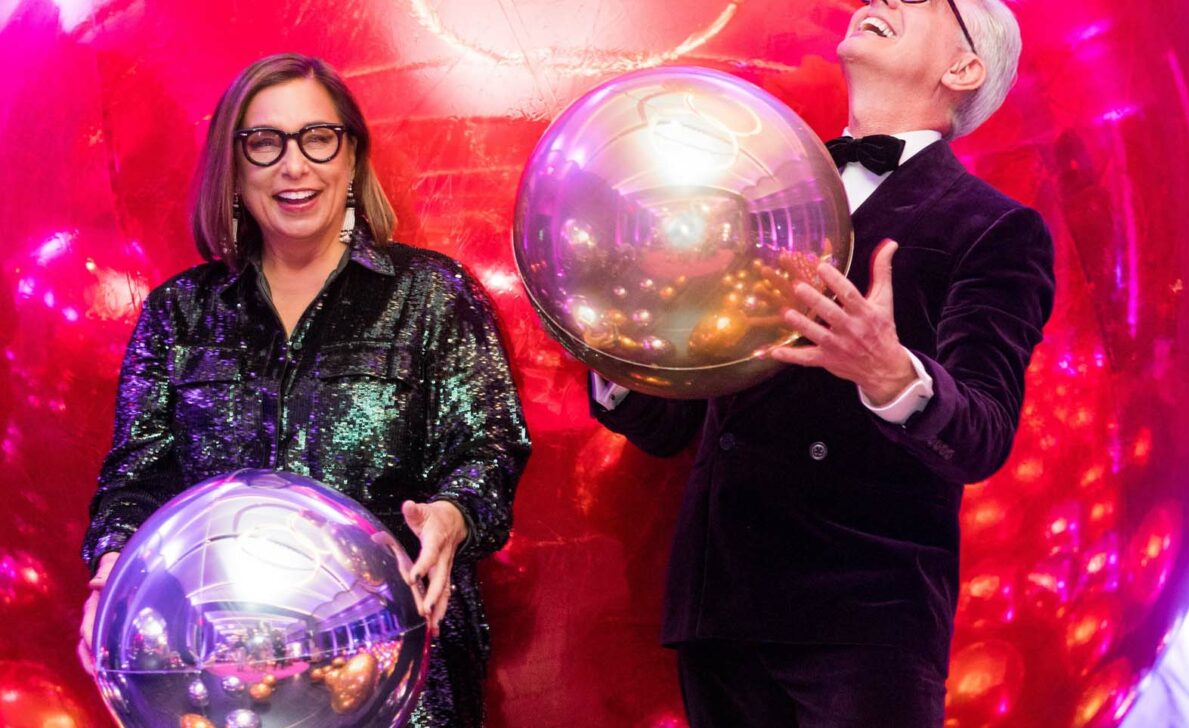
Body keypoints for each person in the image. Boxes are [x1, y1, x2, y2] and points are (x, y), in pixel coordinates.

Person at [589, 1, 1054, 726]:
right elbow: (669, 426)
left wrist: (891, 375)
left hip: (864, 618)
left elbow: (985, 432)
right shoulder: (750, 193)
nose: (885, 0)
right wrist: (616, 343)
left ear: (965, 67)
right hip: (721, 602)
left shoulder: (997, 229)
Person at [77, 53, 530, 727]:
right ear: (233, 166)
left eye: (318, 137)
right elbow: (135, 480)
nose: (296, 166)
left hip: (398, 675)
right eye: (265, 142)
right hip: (219, 680)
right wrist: (113, 570)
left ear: (351, 156)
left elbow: (489, 447)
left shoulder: (431, 294)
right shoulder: (181, 313)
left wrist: (452, 516)